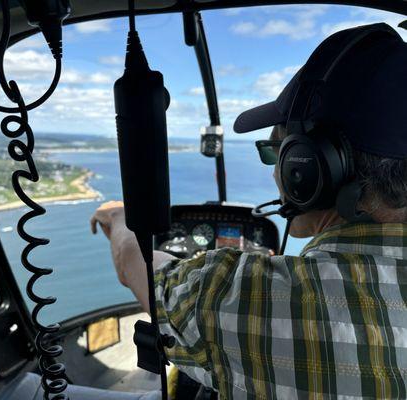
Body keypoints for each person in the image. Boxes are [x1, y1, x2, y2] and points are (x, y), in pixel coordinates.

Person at [91, 23, 407, 399]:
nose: (275, 172)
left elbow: (137, 264)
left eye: (276, 152)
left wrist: (118, 217)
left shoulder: (245, 295)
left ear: (306, 169)